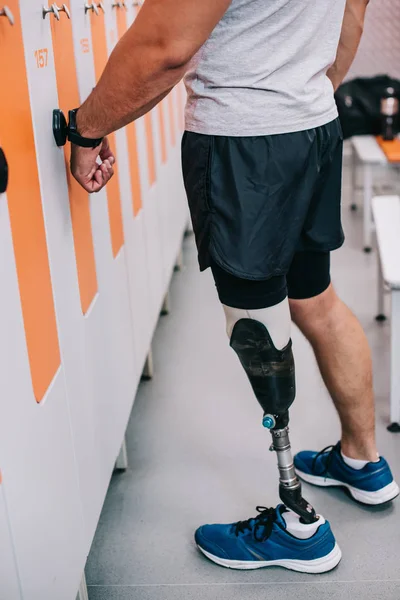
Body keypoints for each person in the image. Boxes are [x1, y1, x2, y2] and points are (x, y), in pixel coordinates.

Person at [69, 0, 398, 574]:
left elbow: (165, 48)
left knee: (255, 328)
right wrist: (305, 92)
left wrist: (86, 128)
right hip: (312, 127)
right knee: (316, 299)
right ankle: (362, 461)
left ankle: (298, 522)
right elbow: (354, 13)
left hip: (246, 145)